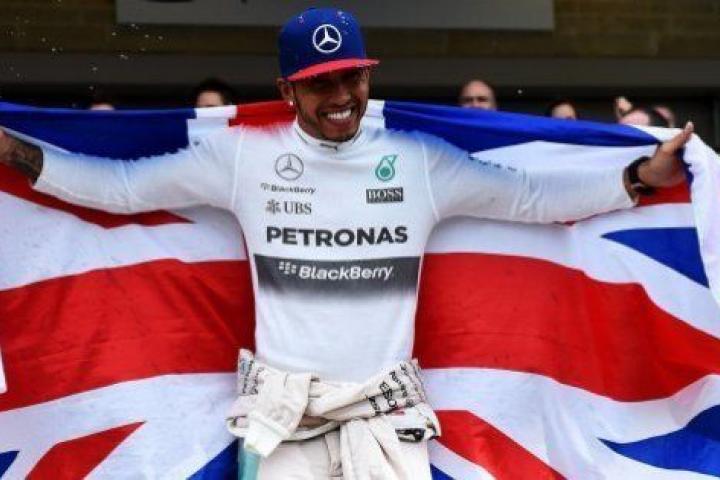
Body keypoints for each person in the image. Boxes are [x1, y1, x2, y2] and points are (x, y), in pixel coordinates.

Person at [0, 7, 693, 479]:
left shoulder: (417, 161)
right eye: (318, 82)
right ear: (287, 89)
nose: (339, 95)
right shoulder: (243, 158)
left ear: (370, 76)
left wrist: (638, 177)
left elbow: (531, 199)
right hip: (284, 423)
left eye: (351, 76)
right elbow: (121, 189)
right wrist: (15, 154)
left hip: (387, 422)